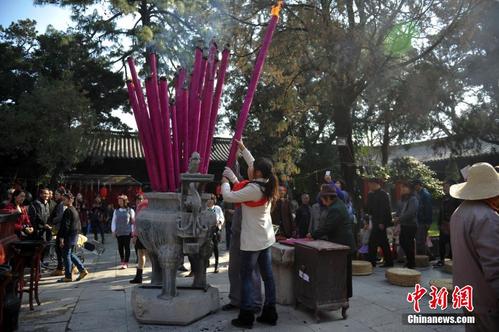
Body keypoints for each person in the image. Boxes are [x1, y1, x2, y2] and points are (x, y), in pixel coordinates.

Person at [222, 140, 279, 329]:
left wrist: (225, 183)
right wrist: (243, 148)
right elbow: (253, 164)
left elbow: (229, 197)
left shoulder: (253, 189)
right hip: (266, 238)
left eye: (255, 168)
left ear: (259, 173)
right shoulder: (269, 182)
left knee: (245, 276)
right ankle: (270, 311)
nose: (252, 168)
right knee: (268, 276)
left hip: (252, 242)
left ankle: (246, 315)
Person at [449, 162, 499, 331]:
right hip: (487, 300)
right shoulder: (487, 217)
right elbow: (495, 267)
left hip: (468, 294)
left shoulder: (459, 212)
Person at [306, 184, 356, 298]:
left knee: (343, 273)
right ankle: (343, 295)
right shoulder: (338, 203)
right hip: (343, 243)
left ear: (328, 198)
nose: (322, 203)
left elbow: (327, 228)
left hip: (343, 244)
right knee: (344, 273)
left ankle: (342, 296)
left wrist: (312, 234)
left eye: (323, 200)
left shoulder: (335, 209)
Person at [57, 192, 89, 282]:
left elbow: (65, 226)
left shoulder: (68, 211)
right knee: (70, 254)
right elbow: (78, 224)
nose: (63, 201)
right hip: (73, 235)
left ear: (70, 200)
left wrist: (62, 238)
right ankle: (82, 270)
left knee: (66, 255)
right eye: (63, 199)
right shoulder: (74, 210)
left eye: (65, 199)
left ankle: (68, 276)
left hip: (68, 236)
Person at [366, 178, 393, 267]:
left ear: (375, 184)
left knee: (373, 242)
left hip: (380, 222)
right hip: (374, 220)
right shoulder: (371, 194)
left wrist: (382, 222)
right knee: (383, 242)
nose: (369, 186)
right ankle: (388, 261)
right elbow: (369, 208)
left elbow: (384, 209)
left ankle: (372, 262)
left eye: (370, 184)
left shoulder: (383, 194)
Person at [434, 180, 460, 268]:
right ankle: (442, 260)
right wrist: (439, 222)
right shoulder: (444, 198)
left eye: (446, 186)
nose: (444, 188)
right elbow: (441, 211)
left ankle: (452, 261)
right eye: (444, 186)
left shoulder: (457, 198)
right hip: (444, 224)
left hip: (452, 224)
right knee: (441, 243)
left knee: (452, 243)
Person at [394, 181, 419, 269]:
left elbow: (411, 212)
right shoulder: (402, 199)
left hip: (411, 225)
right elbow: (399, 210)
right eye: (402, 187)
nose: (403, 189)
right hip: (404, 225)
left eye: (405, 187)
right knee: (403, 242)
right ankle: (410, 261)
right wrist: (396, 217)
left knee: (408, 244)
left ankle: (411, 263)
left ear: (410, 189)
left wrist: (399, 219)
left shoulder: (413, 199)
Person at [112, 195, 135, 269]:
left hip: (127, 232)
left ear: (125, 202)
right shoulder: (116, 211)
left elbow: (132, 222)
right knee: (120, 247)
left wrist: (132, 231)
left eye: (121, 201)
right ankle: (122, 259)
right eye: (119, 201)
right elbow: (113, 221)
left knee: (127, 247)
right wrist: (113, 230)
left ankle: (126, 262)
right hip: (119, 232)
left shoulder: (130, 210)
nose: (120, 202)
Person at [48, 188, 67, 276]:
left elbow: (61, 217)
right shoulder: (60, 203)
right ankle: (62, 267)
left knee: (60, 249)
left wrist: (52, 221)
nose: (55, 196)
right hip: (60, 228)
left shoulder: (62, 204)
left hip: (61, 229)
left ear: (62, 195)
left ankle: (61, 268)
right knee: (59, 249)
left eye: (56, 194)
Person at [130, 193, 148, 284]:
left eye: (139, 200)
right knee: (140, 254)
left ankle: (140, 276)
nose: (138, 202)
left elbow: (139, 223)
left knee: (146, 255)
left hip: (144, 234)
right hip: (141, 234)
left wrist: (135, 235)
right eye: (137, 200)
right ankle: (139, 276)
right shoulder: (140, 207)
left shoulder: (143, 207)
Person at [412, 179, 433, 256]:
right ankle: (429, 256)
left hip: (423, 221)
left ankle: (424, 257)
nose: (414, 187)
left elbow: (428, 209)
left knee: (420, 241)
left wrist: (428, 222)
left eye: (415, 185)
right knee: (420, 239)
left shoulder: (425, 194)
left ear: (419, 185)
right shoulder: (417, 193)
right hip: (418, 220)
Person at [206, 194, 224, 273]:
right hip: (206, 231)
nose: (210, 201)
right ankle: (206, 261)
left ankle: (216, 264)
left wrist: (219, 221)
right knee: (206, 247)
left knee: (215, 247)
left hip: (215, 230)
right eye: (208, 199)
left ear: (214, 201)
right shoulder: (204, 209)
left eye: (211, 199)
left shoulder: (217, 208)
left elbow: (221, 217)